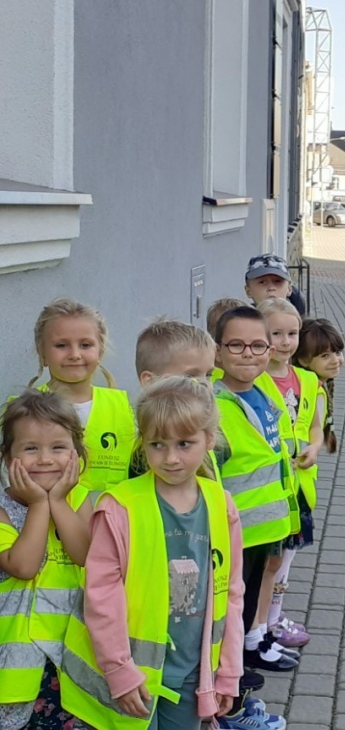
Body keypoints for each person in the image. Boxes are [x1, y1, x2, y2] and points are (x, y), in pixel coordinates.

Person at [60, 377, 250, 730]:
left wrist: (228, 672)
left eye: (184, 443)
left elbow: (231, 592)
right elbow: (101, 594)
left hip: (193, 674)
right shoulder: (119, 506)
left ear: (209, 440)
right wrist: (119, 670)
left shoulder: (220, 505)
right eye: (157, 444)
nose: (171, 457)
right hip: (129, 677)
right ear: (142, 443)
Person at [133, 319, 286, 729]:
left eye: (206, 375)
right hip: (151, 638)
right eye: (191, 376)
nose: (204, 386)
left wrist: (227, 670)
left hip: (200, 620)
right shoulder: (143, 471)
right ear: (149, 382)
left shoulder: (204, 461)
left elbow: (230, 589)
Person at [211, 307, 297, 675]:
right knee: (233, 601)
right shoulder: (213, 404)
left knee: (254, 595)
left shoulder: (263, 391)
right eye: (236, 345)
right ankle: (233, 669)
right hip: (236, 529)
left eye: (258, 345)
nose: (248, 353)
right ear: (217, 352)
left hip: (268, 522)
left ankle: (251, 645)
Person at [0, 389, 92, 730]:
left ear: (76, 454)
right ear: (7, 458)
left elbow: (85, 555)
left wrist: (59, 502)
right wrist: (40, 505)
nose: (45, 459)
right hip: (19, 667)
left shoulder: (80, 500)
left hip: (69, 658)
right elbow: (22, 567)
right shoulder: (3, 510)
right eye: (30, 449)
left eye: (58, 448)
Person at [253, 299, 323, 650]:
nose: (285, 341)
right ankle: (260, 626)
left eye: (292, 333)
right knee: (266, 564)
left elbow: (315, 426)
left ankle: (272, 620)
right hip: (267, 487)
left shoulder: (308, 380)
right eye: (275, 333)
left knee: (284, 562)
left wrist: (314, 447)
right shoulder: (253, 379)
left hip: (298, 487)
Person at [27, 298, 136, 500]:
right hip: (48, 527)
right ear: (41, 351)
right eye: (61, 345)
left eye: (85, 345)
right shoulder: (25, 410)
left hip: (113, 526)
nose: (75, 354)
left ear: (100, 350)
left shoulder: (124, 408)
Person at [294, 317, 345, 458]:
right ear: (303, 359)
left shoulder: (318, 388)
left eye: (338, 352)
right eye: (325, 356)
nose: (335, 361)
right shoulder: (311, 392)